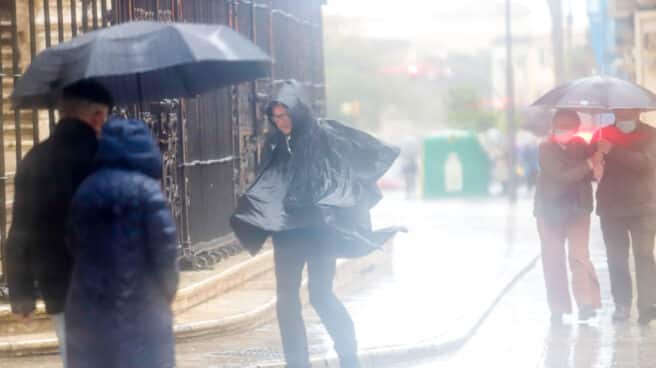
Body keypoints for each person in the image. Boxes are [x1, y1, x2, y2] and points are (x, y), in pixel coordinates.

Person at [231, 81, 400, 368]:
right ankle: (297, 363)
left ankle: (349, 356)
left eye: (285, 115)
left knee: (320, 295)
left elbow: (355, 160)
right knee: (286, 300)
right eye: (276, 117)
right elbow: (268, 182)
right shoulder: (274, 143)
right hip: (287, 233)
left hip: (321, 231)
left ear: (298, 111)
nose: (280, 122)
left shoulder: (324, 134)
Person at [5, 79, 112, 367]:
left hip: (59, 284)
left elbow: (20, 230)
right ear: (98, 116)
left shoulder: (35, 159)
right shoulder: (107, 157)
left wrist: (21, 292)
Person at [65, 118, 179, 368]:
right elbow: (165, 251)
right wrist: (165, 292)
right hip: (144, 307)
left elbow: (73, 243)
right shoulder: (148, 191)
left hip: (90, 306)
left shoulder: (86, 189)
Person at [534, 110, 602, 324]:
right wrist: (589, 164)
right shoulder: (545, 148)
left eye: (570, 128)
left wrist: (598, 156)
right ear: (553, 127)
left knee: (579, 255)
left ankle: (586, 304)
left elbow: (592, 171)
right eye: (561, 127)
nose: (565, 132)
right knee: (553, 258)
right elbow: (561, 176)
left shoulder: (581, 146)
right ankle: (558, 307)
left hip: (578, 210)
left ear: (576, 130)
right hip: (549, 211)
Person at [592, 109, 656, 324]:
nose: (624, 116)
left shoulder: (651, 134)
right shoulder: (601, 134)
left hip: (643, 206)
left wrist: (612, 150)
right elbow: (591, 164)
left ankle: (647, 305)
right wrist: (596, 160)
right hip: (611, 208)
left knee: (644, 256)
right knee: (616, 259)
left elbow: (646, 164)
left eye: (628, 112)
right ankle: (622, 304)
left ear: (638, 112)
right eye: (620, 112)